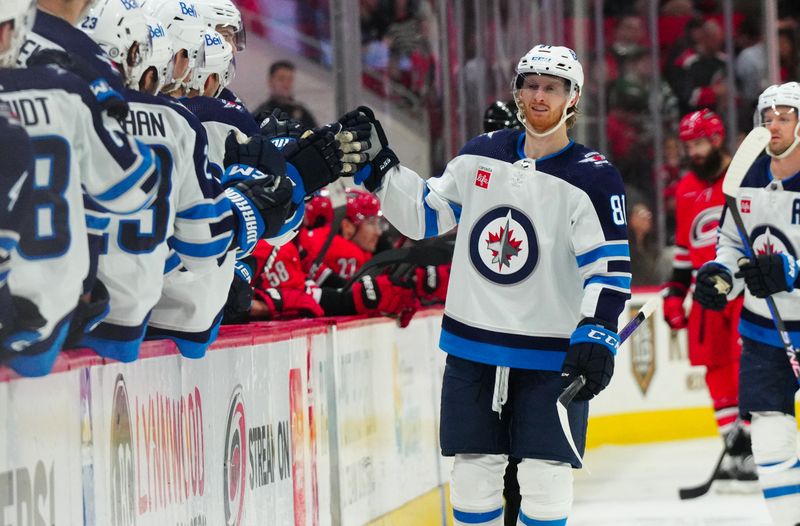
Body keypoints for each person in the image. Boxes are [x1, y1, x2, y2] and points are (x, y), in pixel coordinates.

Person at [343, 44, 631, 524]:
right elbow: (424, 214)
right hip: (473, 345)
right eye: (531, 85)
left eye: (553, 88)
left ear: (573, 98)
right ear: (518, 91)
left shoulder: (594, 179)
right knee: (473, 475)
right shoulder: (481, 155)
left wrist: (597, 331)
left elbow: (608, 270)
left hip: (549, 352)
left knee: (545, 477)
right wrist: (381, 171)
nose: (539, 96)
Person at [694, 82, 800, 526]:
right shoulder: (747, 177)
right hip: (763, 332)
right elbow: (732, 242)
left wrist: (793, 275)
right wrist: (724, 277)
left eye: (785, 116)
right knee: (771, 441)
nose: (774, 125)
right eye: (767, 117)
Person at [662, 109, 755, 482]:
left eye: (699, 143)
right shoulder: (685, 188)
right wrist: (674, 293)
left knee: (747, 365)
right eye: (688, 146)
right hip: (706, 295)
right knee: (716, 370)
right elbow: (685, 253)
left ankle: (753, 444)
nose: (693, 152)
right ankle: (734, 451)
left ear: (717, 140)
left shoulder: (745, 180)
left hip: (744, 290)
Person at [252, 60, 318, 129]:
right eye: (281, 79)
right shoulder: (260, 114)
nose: (286, 84)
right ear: (270, 81)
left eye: (290, 79)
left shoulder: (302, 114)